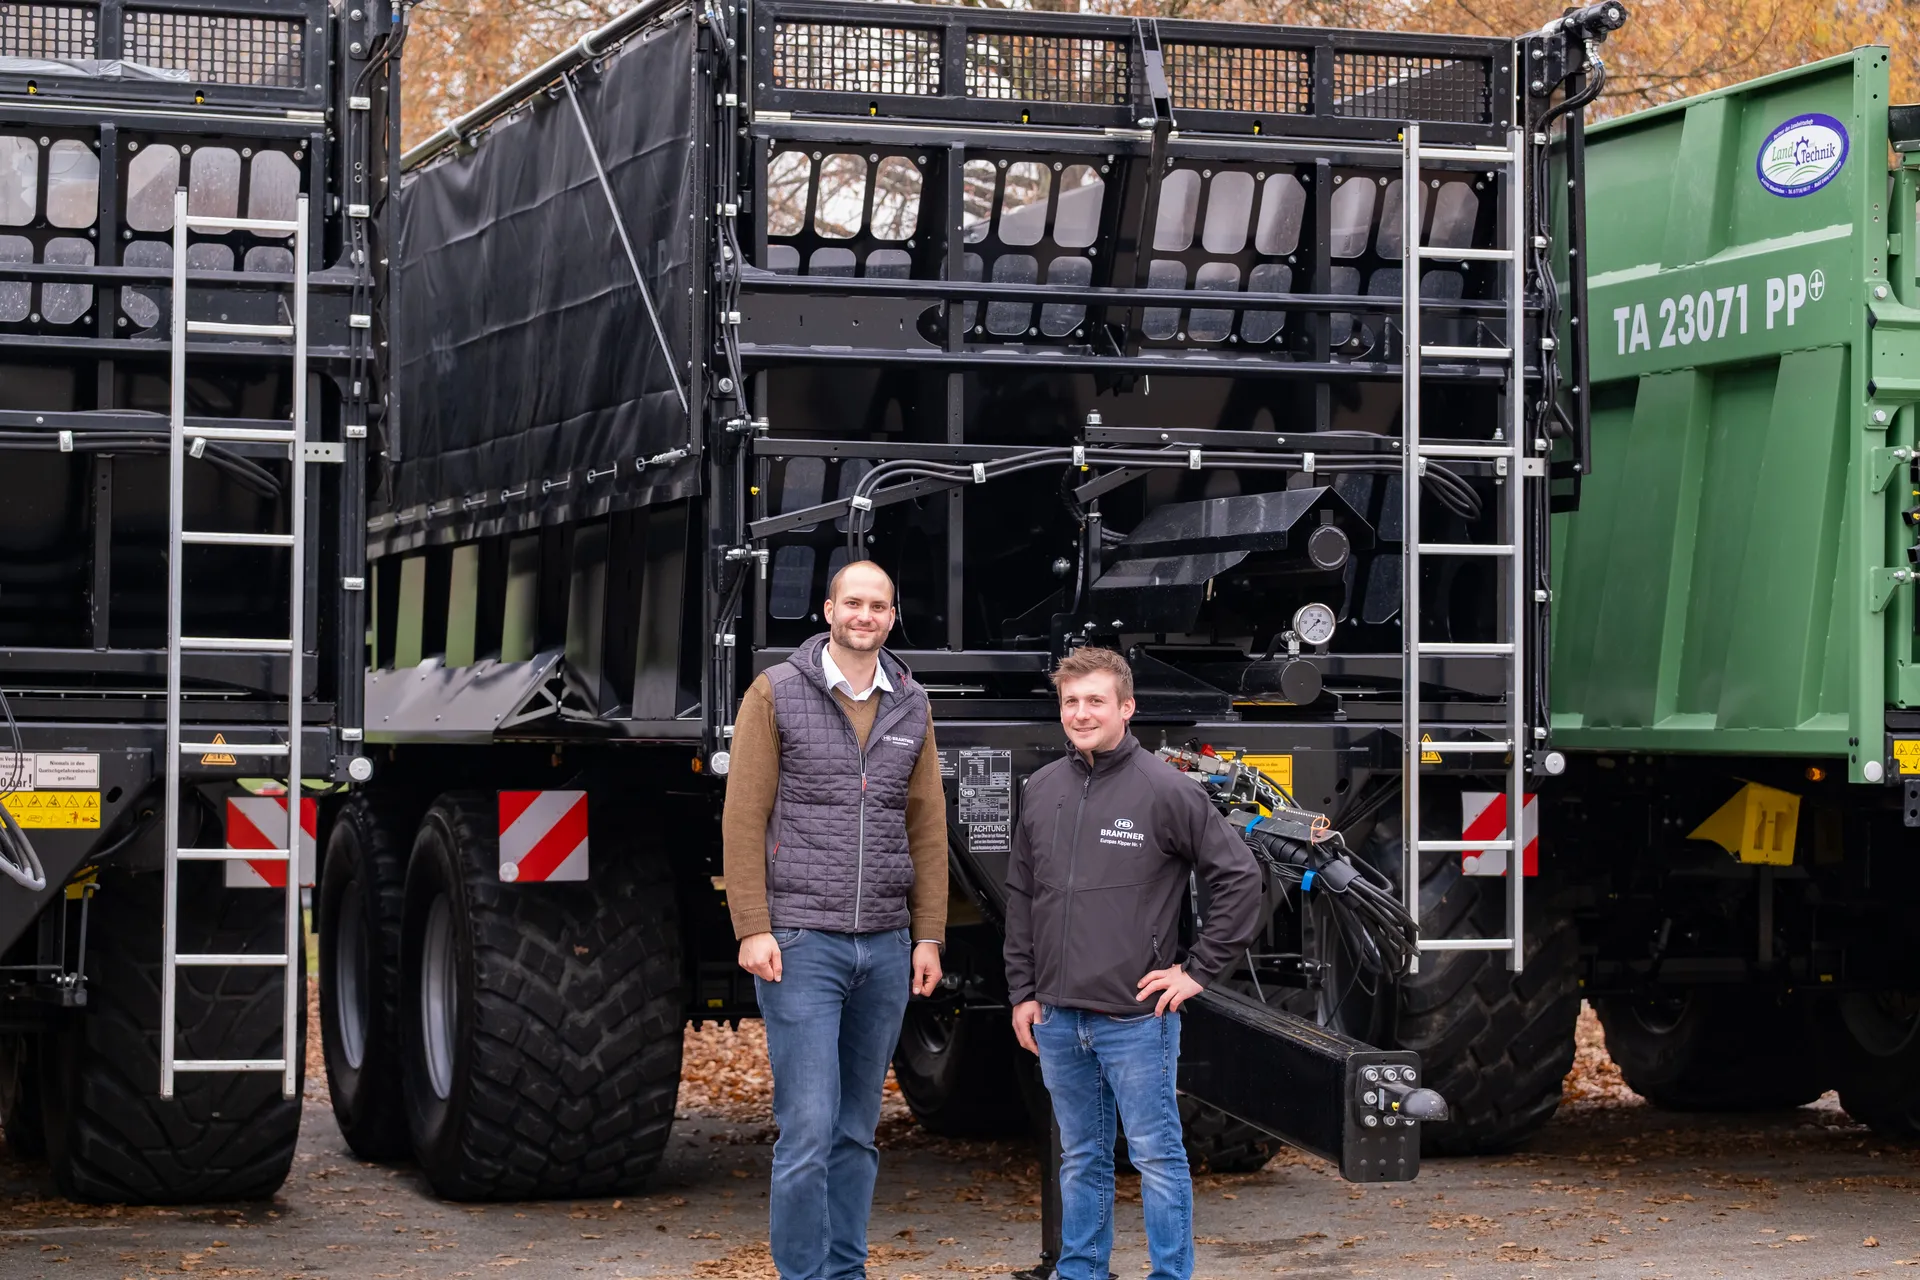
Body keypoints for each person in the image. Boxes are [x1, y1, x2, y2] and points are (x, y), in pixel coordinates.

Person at [1003, 646, 1262, 1280]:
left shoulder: (1166, 789)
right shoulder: (1041, 789)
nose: (1082, 713)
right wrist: (1022, 991)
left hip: (1135, 1018)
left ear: (1127, 707)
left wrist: (1197, 970)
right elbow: (1022, 896)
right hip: (1059, 1017)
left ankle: (1170, 1274)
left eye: (1096, 701)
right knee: (1081, 1157)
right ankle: (1082, 1271)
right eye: (1071, 701)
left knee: (1156, 1157)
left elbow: (1239, 878)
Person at [721, 559, 947, 1280]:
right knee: (810, 1130)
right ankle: (802, 1274)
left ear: (891, 615)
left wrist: (928, 935)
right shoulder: (778, 693)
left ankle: (845, 1272)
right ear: (828, 610)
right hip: (801, 943)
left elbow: (927, 827)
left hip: (883, 947)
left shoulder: (911, 704)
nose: (866, 615)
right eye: (853, 602)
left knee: (857, 1133)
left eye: (879, 605)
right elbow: (744, 813)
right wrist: (752, 925)